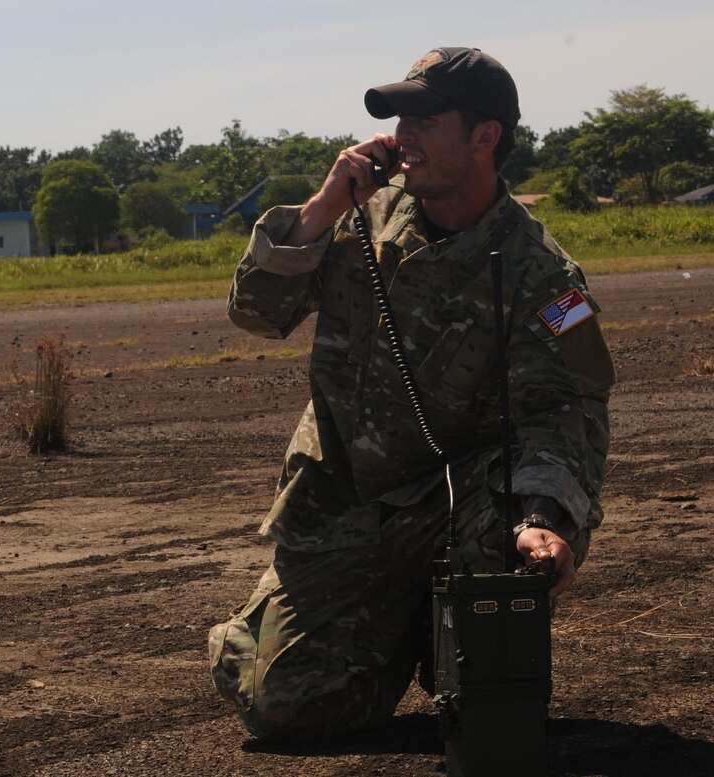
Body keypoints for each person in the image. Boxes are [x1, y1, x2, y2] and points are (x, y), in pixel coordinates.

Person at [208, 47, 615, 743]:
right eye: (401, 120)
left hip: (459, 509)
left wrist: (545, 516)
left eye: (425, 120)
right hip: (342, 508)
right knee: (280, 703)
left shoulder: (544, 275)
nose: (404, 135)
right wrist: (326, 202)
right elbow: (255, 312)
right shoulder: (357, 220)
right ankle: (399, 631)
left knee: (509, 544)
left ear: (485, 136)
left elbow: (568, 407)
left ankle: (463, 646)